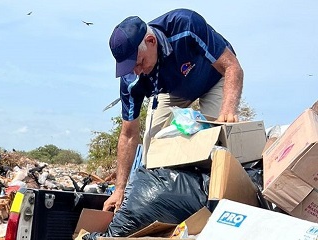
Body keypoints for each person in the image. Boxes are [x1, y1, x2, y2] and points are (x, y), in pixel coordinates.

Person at [103, 9, 244, 212]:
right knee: (153, 151)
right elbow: (128, 135)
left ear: (151, 41)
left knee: (217, 141)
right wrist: (119, 189)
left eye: (139, 62)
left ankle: (216, 202)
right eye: (129, 67)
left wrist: (228, 111)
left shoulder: (185, 25)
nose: (137, 70)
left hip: (214, 77)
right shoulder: (132, 78)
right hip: (173, 90)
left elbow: (232, 67)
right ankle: (158, 205)